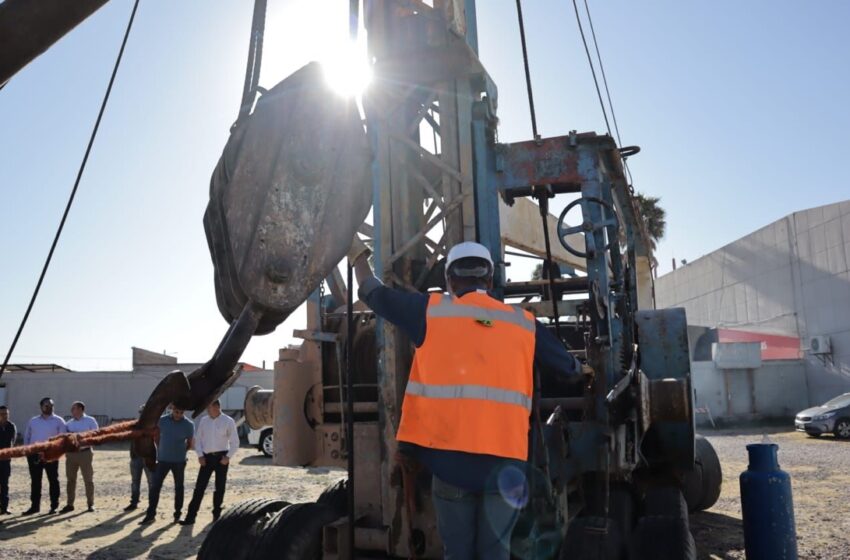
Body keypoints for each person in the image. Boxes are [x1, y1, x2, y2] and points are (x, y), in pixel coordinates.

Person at [349, 239, 582, 559]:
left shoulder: (429, 313)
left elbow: (371, 292)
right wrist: (584, 368)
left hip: (450, 467)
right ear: (489, 280)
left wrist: (357, 254)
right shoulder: (523, 323)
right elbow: (568, 367)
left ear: (449, 280)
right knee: (496, 553)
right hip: (505, 469)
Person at [180, 399, 240, 524]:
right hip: (206, 458)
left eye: (210, 408)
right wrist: (200, 455)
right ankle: (190, 517)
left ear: (217, 407)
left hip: (221, 458)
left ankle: (216, 516)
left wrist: (228, 457)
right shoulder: (204, 421)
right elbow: (198, 440)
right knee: (199, 488)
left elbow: (235, 442)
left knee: (220, 487)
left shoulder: (228, 421)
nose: (208, 410)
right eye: (207, 408)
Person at [139, 405, 194, 525]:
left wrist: (181, 452)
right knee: (155, 487)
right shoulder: (162, 421)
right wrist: (161, 449)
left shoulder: (189, 425)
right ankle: (150, 515)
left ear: (183, 412)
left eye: (180, 412)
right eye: (176, 411)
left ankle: (177, 514)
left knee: (179, 488)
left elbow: (190, 443)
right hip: (163, 460)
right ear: (172, 410)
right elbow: (156, 437)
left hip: (179, 462)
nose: (178, 414)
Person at [22, 397, 67, 515]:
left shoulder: (59, 421)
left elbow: (62, 439)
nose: (49, 407)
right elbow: (27, 436)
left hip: (51, 454)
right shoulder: (33, 421)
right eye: (46, 405)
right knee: (35, 481)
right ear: (41, 407)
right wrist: (27, 451)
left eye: (51, 405)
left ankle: (54, 506)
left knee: (53, 480)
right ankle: (34, 506)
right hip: (34, 455)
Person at [61, 401, 99, 513]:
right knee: (71, 479)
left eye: (74, 408)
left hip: (85, 453)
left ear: (81, 409)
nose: (72, 410)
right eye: (72, 408)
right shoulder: (68, 424)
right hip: (71, 454)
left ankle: (90, 504)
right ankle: (70, 504)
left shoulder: (90, 421)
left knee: (88, 479)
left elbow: (96, 434)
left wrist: (80, 437)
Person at [125, 405, 152, 511]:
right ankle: (134, 502)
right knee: (135, 481)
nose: (142, 414)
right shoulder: (134, 425)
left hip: (148, 457)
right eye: (141, 412)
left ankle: (152, 503)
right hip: (136, 457)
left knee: (151, 482)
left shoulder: (153, 425)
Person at [0, 406, 17, 515]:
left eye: (6, 413)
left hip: (5, 460)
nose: (4, 416)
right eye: (1, 414)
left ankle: (4, 508)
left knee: (4, 484)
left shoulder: (11, 426)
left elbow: (12, 442)